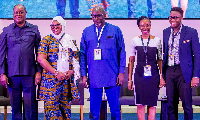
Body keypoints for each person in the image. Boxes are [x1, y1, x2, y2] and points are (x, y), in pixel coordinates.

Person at [80, 6, 126, 120]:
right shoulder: (87, 32)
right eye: (94, 16)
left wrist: (121, 73)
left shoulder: (115, 30)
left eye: (99, 15)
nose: (97, 18)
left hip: (113, 75)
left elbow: (122, 52)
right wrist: (84, 75)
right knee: (94, 110)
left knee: (115, 109)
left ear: (105, 15)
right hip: (94, 75)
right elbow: (82, 55)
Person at [0, 4, 41, 120]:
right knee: (15, 108)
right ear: (13, 14)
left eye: (21, 12)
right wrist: (2, 74)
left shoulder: (34, 29)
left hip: (29, 74)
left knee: (30, 107)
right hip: (12, 75)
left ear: (25, 13)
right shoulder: (6, 31)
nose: (18, 14)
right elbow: (1, 54)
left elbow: (39, 53)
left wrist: (39, 71)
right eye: (16, 12)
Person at [37, 16, 80, 120]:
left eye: (57, 25)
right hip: (51, 81)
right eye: (52, 26)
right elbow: (41, 59)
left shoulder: (70, 40)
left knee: (65, 111)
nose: (54, 27)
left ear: (63, 25)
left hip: (66, 81)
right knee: (52, 112)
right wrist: (56, 72)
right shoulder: (46, 40)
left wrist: (72, 71)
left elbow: (77, 59)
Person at [162, 7, 200, 120]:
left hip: (184, 72)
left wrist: (196, 76)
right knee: (171, 105)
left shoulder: (191, 32)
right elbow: (165, 53)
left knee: (187, 105)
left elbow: (197, 56)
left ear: (182, 18)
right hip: (169, 71)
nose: (172, 19)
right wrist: (162, 75)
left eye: (175, 17)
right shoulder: (166, 32)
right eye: (170, 17)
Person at [128, 16, 165, 120]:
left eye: (147, 25)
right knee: (140, 103)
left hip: (153, 76)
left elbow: (160, 60)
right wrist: (129, 79)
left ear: (150, 26)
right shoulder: (135, 40)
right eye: (142, 25)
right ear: (139, 27)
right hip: (139, 76)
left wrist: (162, 76)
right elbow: (131, 60)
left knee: (152, 103)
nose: (145, 27)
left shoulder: (157, 40)